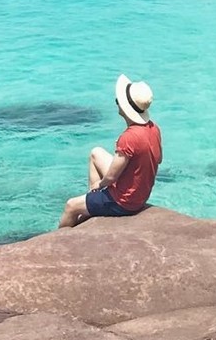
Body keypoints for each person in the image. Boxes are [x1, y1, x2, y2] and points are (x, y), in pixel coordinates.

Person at [58, 75, 162, 228]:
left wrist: (99, 185)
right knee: (96, 153)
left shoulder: (129, 137)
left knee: (70, 206)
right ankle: (92, 205)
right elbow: (158, 159)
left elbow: (112, 177)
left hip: (124, 202)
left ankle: (62, 240)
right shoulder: (153, 129)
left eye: (118, 101)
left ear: (124, 108)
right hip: (141, 194)